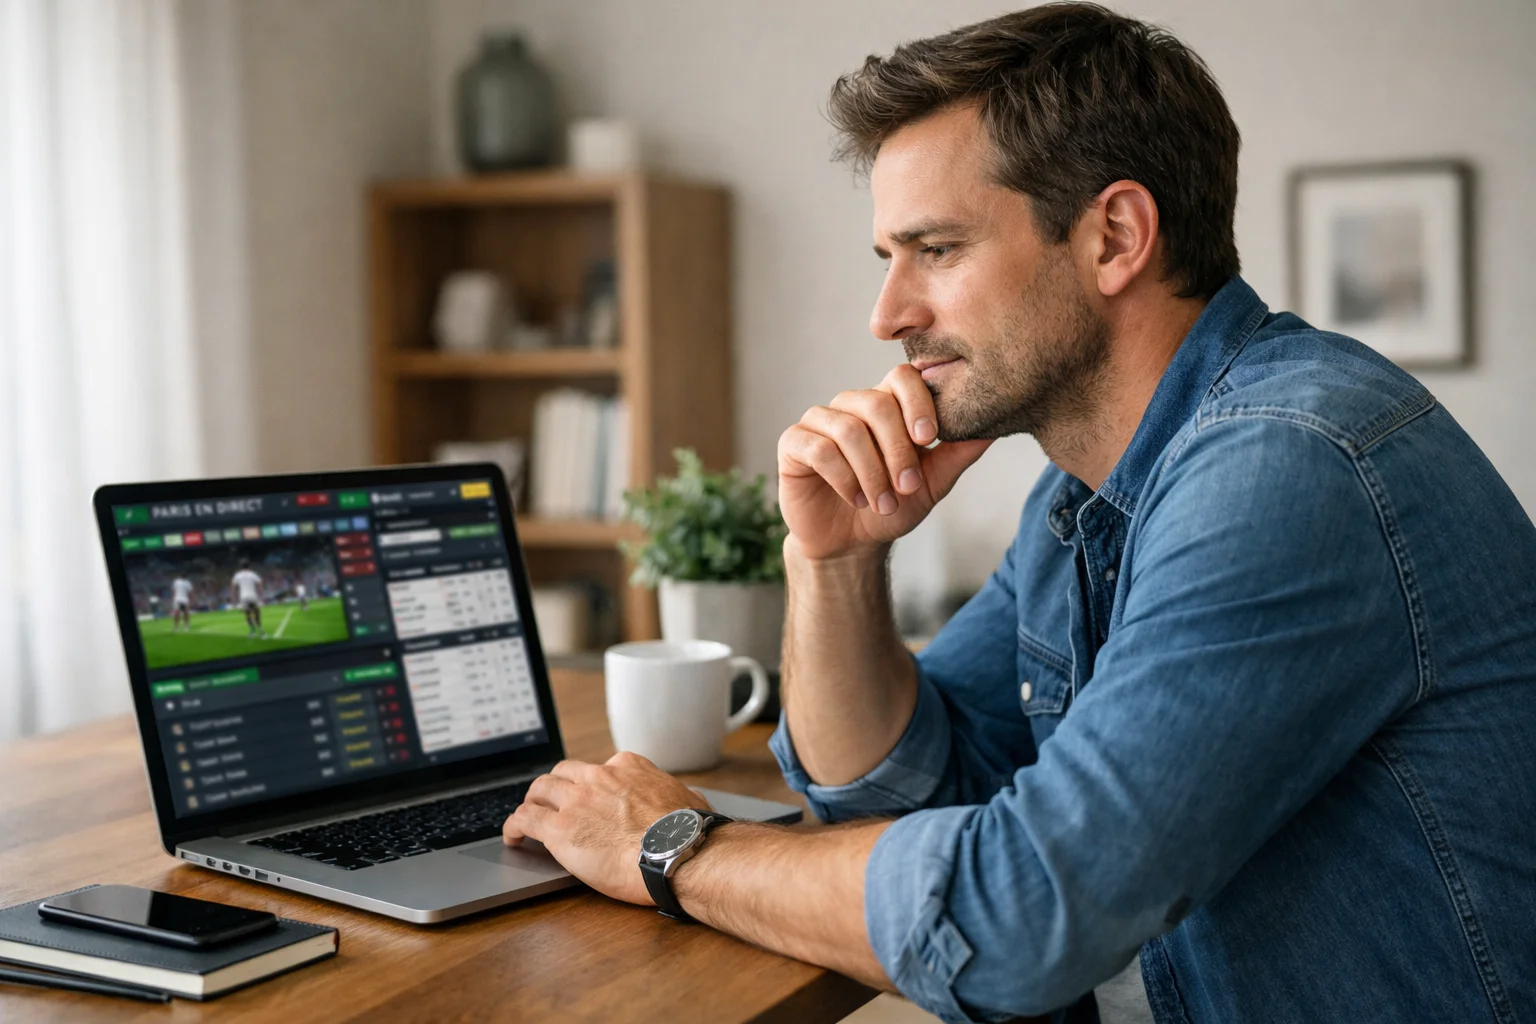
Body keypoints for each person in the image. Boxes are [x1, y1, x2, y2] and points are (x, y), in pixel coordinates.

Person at [498, 6, 1536, 1022]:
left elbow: (1015, 922)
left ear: (1114, 236)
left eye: (936, 250)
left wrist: (673, 845)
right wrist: (834, 559)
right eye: (887, 259)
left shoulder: (1288, 467)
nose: (888, 314)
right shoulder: (1081, 497)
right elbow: (893, 792)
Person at [231, 559, 266, 639]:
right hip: (252, 596)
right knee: (257, 613)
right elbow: (260, 583)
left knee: (248, 614)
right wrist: (260, 593)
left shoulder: (238, 575)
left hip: (243, 597)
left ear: (240, 566)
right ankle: (261, 632)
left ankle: (252, 632)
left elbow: (233, 586)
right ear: (249, 566)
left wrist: (234, 597)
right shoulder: (252, 574)